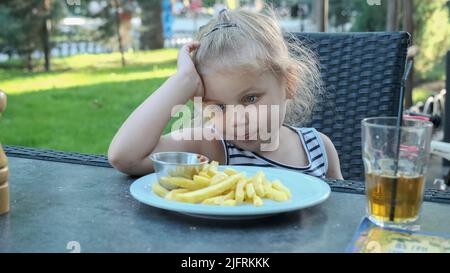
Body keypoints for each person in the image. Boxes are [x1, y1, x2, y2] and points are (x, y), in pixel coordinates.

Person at [108, 9, 343, 180]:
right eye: (218, 107)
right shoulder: (211, 147)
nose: (237, 119)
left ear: (289, 84)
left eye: (250, 99)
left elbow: (341, 212)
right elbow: (125, 156)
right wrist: (182, 82)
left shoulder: (319, 149)